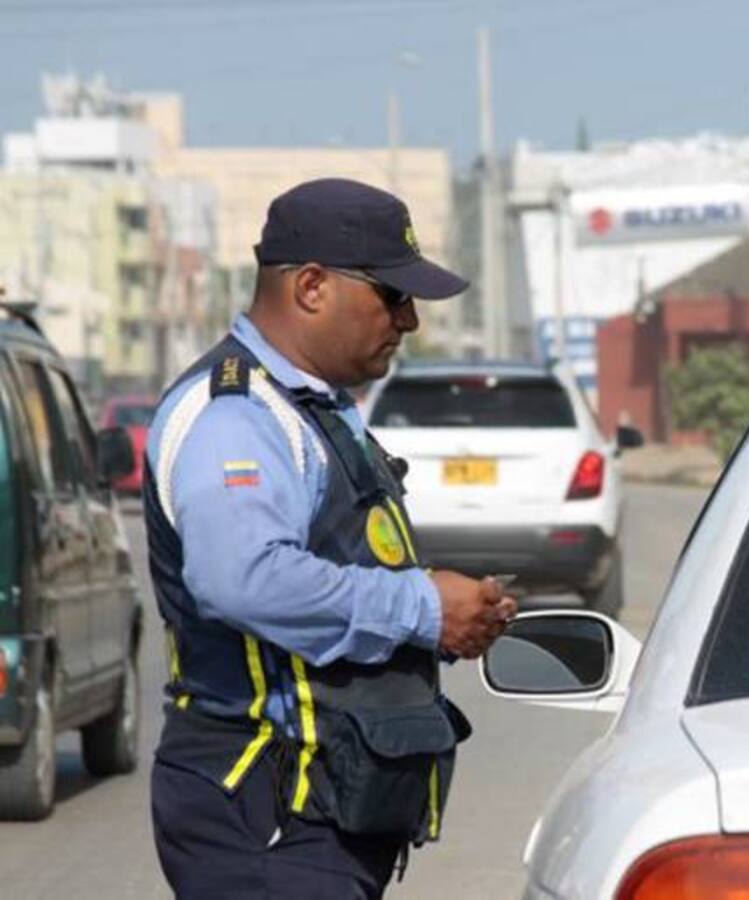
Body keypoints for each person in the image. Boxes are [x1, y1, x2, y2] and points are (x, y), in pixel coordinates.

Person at [144, 178, 517, 899]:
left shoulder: (311, 407)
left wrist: (446, 617)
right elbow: (243, 579)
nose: (409, 320)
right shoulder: (237, 415)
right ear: (312, 286)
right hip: (267, 810)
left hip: (317, 804)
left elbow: (337, 565)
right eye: (392, 295)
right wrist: (423, 608)